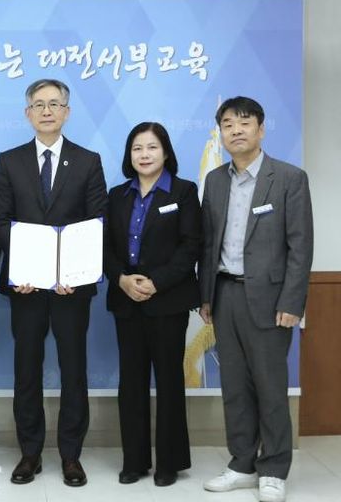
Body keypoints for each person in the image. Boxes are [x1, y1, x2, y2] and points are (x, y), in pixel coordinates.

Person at [0, 78, 107, 487]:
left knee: (74, 370)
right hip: (26, 287)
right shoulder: (9, 161)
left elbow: (97, 222)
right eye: (38, 104)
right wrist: (24, 268)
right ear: (28, 113)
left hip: (71, 289)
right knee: (27, 370)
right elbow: (1, 221)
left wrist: (73, 272)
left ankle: (71, 456)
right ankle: (30, 453)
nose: (46, 110)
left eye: (54, 104)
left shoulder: (88, 161)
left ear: (67, 112)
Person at [199, 97, 313, 502]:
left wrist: (293, 303)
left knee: (270, 387)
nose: (236, 130)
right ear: (221, 133)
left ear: (261, 130)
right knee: (234, 386)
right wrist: (205, 295)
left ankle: (274, 468)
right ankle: (242, 463)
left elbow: (300, 246)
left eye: (244, 123)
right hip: (224, 294)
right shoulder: (215, 180)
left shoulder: (288, 178)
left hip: (270, 299)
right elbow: (208, 243)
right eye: (228, 124)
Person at [104, 122, 201, 487]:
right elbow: (105, 246)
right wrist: (122, 279)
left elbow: (191, 246)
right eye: (137, 148)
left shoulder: (183, 191)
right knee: (131, 383)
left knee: (170, 381)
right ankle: (135, 460)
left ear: (165, 152)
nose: (144, 155)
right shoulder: (117, 195)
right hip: (126, 299)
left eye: (152, 147)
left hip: (168, 301)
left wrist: (156, 282)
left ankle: (169, 463)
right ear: (129, 155)